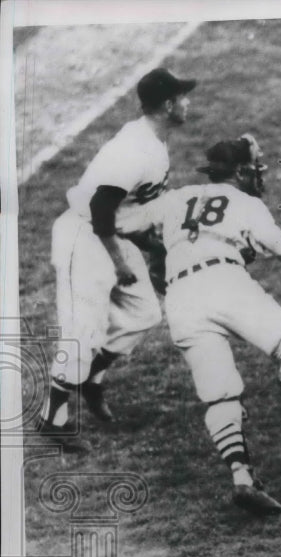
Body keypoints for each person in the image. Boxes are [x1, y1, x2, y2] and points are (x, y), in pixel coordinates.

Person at [121, 134, 281, 514]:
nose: (260, 174)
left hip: (181, 296)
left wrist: (166, 248)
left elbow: (128, 227)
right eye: (256, 166)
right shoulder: (245, 202)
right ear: (240, 171)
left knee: (220, 395)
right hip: (223, 279)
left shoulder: (174, 198)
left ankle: (242, 478)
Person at [38, 67, 197, 452]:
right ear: (168, 104)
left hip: (110, 233)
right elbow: (101, 206)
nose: (188, 103)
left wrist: (157, 248)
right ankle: (51, 418)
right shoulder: (134, 150)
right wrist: (120, 261)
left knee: (144, 312)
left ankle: (90, 379)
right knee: (82, 329)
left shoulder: (154, 142)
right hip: (86, 235)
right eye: (183, 97)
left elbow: (129, 211)